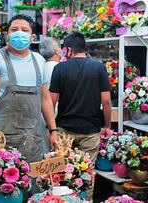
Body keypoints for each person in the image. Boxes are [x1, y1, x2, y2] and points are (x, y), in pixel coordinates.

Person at [0, 14, 58, 163]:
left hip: (32, 137)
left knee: (34, 183)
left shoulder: (39, 60)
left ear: (32, 37)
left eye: (24, 30)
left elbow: (45, 99)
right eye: (14, 29)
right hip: (0, 138)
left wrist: (53, 130)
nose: (19, 33)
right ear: (7, 35)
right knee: (2, 182)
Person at [49, 32, 112, 163]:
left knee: (62, 172)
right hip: (90, 131)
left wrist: (51, 129)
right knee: (86, 173)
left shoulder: (59, 68)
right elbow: (106, 101)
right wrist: (107, 126)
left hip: (64, 130)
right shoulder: (99, 68)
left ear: (69, 50)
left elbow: (51, 101)